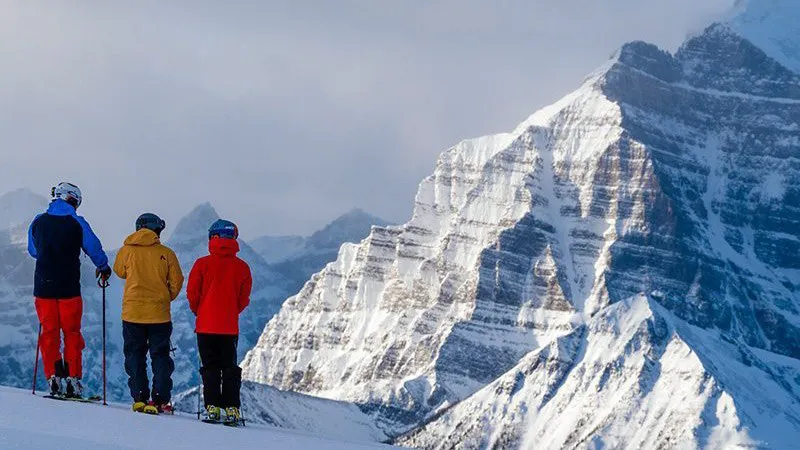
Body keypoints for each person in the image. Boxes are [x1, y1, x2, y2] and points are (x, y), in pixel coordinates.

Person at [28, 182, 111, 398]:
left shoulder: (38, 222)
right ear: (72, 199)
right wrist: (103, 267)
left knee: (49, 332)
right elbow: (93, 247)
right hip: (69, 288)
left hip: (43, 286)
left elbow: (33, 251)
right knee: (71, 333)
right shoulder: (77, 222)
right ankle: (73, 379)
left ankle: (53, 377)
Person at [113, 213, 184, 414]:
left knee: (135, 356)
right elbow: (177, 281)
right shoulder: (167, 253)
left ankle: (139, 398)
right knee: (160, 357)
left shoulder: (126, 251)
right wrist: (166, 297)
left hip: (132, 314)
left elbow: (119, 271)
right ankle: (160, 399)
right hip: (159, 315)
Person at [187, 219, 252, 424]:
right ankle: (232, 408)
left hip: (205, 325)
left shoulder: (201, 264)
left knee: (210, 366)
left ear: (213, 237)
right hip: (229, 326)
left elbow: (192, 293)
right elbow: (244, 298)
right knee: (229, 367)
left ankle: (213, 407)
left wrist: (200, 311)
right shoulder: (242, 267)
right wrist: (231, 311)